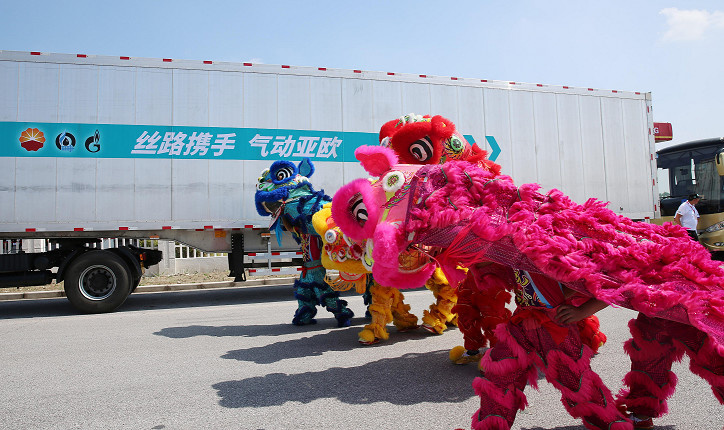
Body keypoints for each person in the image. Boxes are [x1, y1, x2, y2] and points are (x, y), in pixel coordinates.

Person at [471, 263, 631, 430]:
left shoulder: (555, 242)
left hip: (555, 327)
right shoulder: (509, 247)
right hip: (521, 321)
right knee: (499, 372)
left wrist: (581, 311)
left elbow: (614, 282)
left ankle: (612, 425)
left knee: (576, 383)